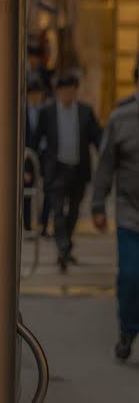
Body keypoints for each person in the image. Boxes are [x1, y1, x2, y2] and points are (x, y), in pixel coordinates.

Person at [90, 56, 139, 361]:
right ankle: (128, 331)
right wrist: (97, 204)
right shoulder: (122, 118)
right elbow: (106, 165)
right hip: (130, 213)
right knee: (131, 275)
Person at [30, 71, 102, 272]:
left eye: (71, 91)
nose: (67, 95)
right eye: (63, 91)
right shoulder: (48, 113)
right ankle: (63, 246)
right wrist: (29, 167)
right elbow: (35, 140)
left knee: (74, 212)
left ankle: (66, 243)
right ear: (58, 92)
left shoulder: (85, 113)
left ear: (75, 91)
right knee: (58, 211)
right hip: (57, 170)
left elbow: (98, 139)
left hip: (78, 171)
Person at [24, 78, 50, 235]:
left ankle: (44, 224)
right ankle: (27, 225)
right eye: (32, 94)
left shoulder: (47, 111)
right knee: (27, 190)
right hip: (29, 154)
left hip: (45, 154)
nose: (35, 97)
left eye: (38, 94)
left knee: (48, 190)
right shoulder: (23, 111)